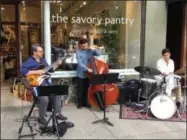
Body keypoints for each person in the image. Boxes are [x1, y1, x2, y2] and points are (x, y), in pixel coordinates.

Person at [21, 44, 67, 125]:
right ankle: (41, 117)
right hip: (36, 86)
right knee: (44, 99)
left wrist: (57, 64)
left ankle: (57, 114)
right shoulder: (29, 62)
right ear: (34, 52)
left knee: (58, 92)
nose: (42, 52)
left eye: (42, 51)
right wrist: (37, 72)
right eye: (40, 51)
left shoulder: (43, 60)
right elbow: (23, 72)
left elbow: (51, 70)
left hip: (45, 83)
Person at [76, 38, 100, 109]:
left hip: (89, 74)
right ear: (80, 45)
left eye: (86, 46)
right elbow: (80, 63)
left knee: (87, 89)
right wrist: (87, 69)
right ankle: (80, 104)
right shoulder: (78, 52)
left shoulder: (89, 51)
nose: (85, 47)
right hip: (81, 73)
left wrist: (94, 49)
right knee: (80, 90)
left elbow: (99, 54)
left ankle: (86, 103)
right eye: (83, 46)